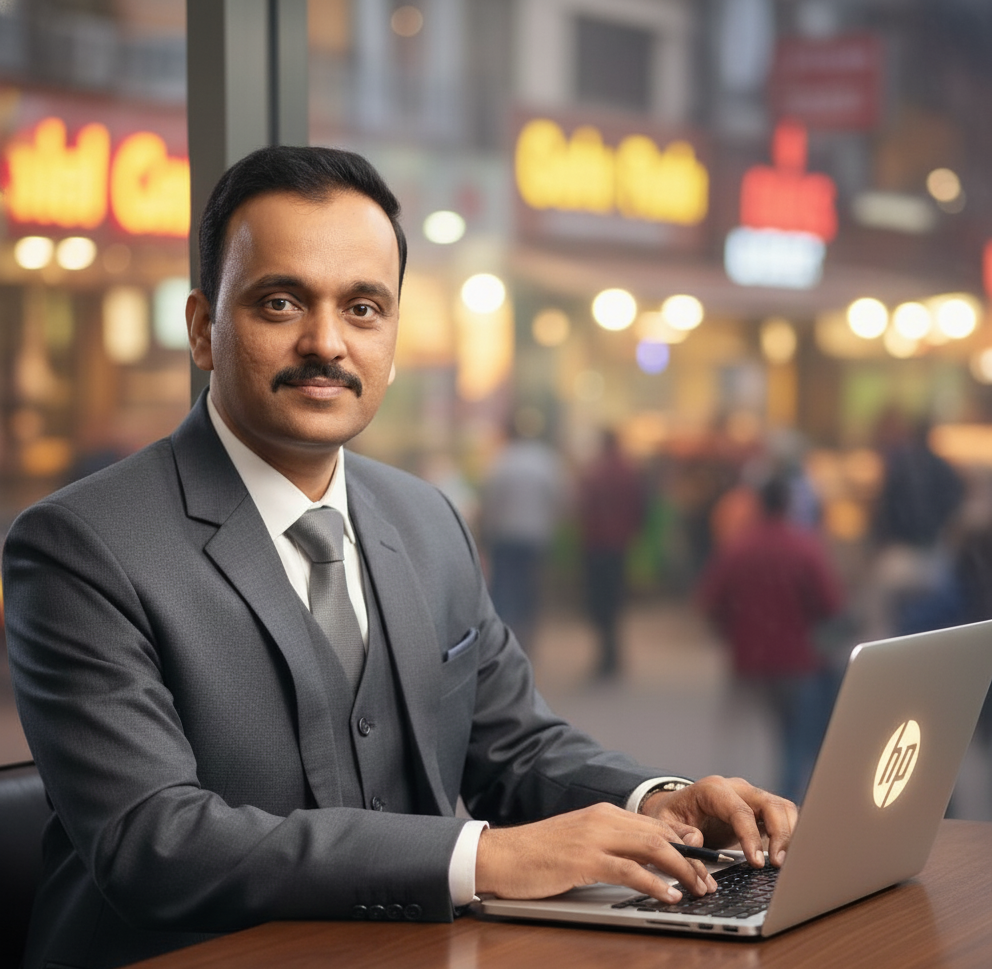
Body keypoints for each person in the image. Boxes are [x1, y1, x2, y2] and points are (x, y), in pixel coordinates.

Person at [3, 146, 796, 969]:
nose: (327, 342)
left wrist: (660, 801)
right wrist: (484, 857)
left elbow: (515, 746)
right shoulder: (78, 545)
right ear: (203, 329)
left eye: (363, 307)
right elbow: (154, 842)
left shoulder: (426, 519)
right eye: (280, 303)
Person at [697, 476, 844, 802]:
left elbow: (709, 600)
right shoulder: (805, 547)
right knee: (794, 739)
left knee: (743, 742)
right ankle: (786, 805)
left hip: (748, 659)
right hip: (796, 661)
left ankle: (731, 805)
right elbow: (831, 604)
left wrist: (732, 630)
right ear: (789, 505)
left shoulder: (738, 547)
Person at [480, 419, 566, 652]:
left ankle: (503, 643)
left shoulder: (502, 460)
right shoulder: (544, 460)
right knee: (531, 590)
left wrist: (486, 532)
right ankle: (528, 641)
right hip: (536, 536)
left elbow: (491, 501)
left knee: (504, 591)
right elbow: (561, 499)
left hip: (505, 536)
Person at [577, 429, 645, 678]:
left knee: (600, 602)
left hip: (597, 545)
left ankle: (606, 656)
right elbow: (639, 504)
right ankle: (612, 655)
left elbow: (584, 506)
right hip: (619, 545)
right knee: (614, 600)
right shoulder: (627, 471)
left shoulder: (595, 471)